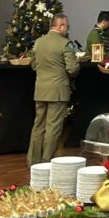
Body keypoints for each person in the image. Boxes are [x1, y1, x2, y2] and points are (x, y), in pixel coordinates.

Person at [27, 14, 79, 166]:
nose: (67, 29)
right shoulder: (65, 44)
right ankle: (46, 161)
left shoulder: (39, 42)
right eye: (66, 26)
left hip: (40, 89)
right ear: (60, 26)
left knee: (38, 125)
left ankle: (33, 161)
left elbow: (33, 65)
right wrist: (76, 62)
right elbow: (72, 69)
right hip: (58, 91)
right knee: (53, 127)